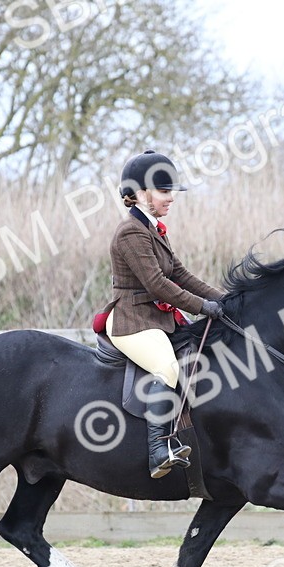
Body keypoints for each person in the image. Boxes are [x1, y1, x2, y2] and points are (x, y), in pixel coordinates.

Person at [99, 149, 226, 479]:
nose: (171, 198)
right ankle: (159, 451)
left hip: (157, 319)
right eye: (164, 191)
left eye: (171, 191)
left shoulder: (153, 229)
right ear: (140, 194)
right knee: (167, 368)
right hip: (133, 320)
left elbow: (180, 274)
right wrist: (201, 307)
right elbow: (157, 284)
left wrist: (226, 300)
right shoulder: (131, 232)